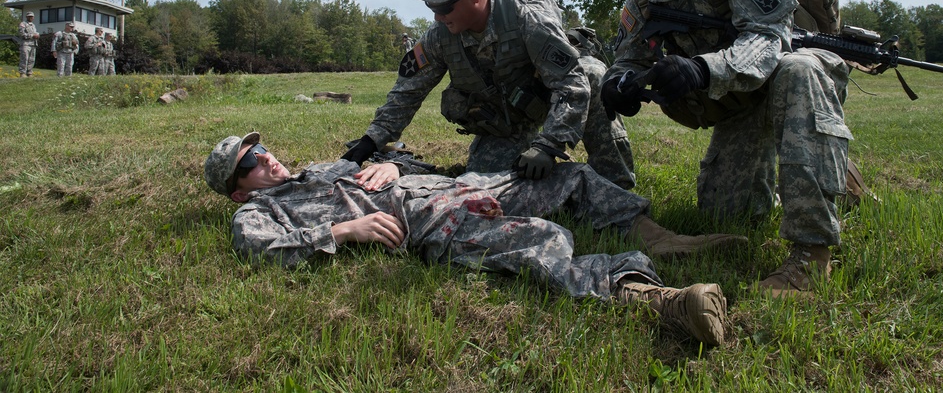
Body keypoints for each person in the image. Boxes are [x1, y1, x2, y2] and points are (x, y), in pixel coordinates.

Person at [204, 132, 731, 345]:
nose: (265, 157)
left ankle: (657, 236)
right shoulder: (261, 211)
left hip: (456, 186)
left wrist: (389, 163)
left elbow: (406, 157)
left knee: (565, 174)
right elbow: (261, 250)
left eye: (261, 148)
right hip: (425, 218)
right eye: (249, 162)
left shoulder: (323, 167)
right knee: (538, 237)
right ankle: (653, 297)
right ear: (237, 190)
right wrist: (345, 230)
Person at [601, 0, 855, 297]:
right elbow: (628, 51)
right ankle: (830, 170)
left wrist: (701, 69)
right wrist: (619, 81)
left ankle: (810, 258)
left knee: (799, 70)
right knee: (727, 213)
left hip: (784, 82)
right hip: (738, 103)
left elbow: (770, 36)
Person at [343, 0, 635, 189]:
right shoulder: (440, 36)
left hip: (552, 99)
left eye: (444, 6)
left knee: (593, 74)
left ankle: (615, 184)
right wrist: (372, 139)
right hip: (506, 120)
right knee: (484, 183)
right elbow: (407, 92)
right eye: (432, 5)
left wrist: (549, 145)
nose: (436, 15)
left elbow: (571, 85)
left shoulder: (528, 16)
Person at [17, 11, 40, 77]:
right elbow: (22, 34)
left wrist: (37, 35)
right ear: (26, 17)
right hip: (25, 44)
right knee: (24, 58)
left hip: (33, 44)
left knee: (32, 59)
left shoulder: (33, 25)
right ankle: (22, 73)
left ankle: (29, 72)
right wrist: (32, 35)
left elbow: (35, 33)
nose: (31, 17)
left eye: (32, 16)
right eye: (29, 16)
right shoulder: (23, 24)